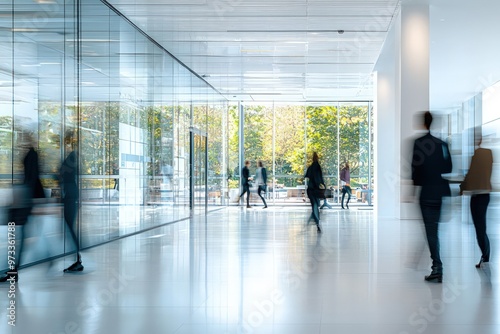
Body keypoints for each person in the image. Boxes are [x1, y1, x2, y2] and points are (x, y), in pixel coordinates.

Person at [411, 111, 452, 283]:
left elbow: (415, 168)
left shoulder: (418, 143)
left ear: (423, 123)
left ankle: (437, 267)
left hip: (426, 193)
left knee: (431, 232)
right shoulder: (442, 144)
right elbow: (448, 167)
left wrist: (414, 188)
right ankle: (437, 266)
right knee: (433, 230)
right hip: (439, 192)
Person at [0, 138, 45, 282]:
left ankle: (13, 270)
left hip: (25, 200)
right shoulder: (30, 154)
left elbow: (32, 178)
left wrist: (25, 199)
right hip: (25, 200)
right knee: (20, 236)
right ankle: (13, 270)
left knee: (18, 235)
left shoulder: (32, 155)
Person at [460, 132, 493, 268]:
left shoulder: (477, 156)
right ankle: (485, 256)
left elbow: (471, 175)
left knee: (479, 228)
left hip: (477, 196)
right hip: (486, 194)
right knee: (482, 227)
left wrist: (462, 188)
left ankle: (485, 257)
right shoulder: (488, 154)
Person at [60, 132, 84, 272]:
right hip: (70, 194)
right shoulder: (73, 156)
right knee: (69, 226)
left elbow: (65, 174)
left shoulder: (72, 157)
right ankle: (77, 258)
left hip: (70, 194)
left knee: (69, 226)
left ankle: (78, 259)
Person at [305, 152, 323, 233]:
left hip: (310, 189)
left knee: (314, 206)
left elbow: (307, 176)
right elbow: (320, 178)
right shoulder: (318, 167)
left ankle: (315, 221)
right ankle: (316, 222)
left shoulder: (311, 167)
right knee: (316, 206)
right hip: (316, 190)